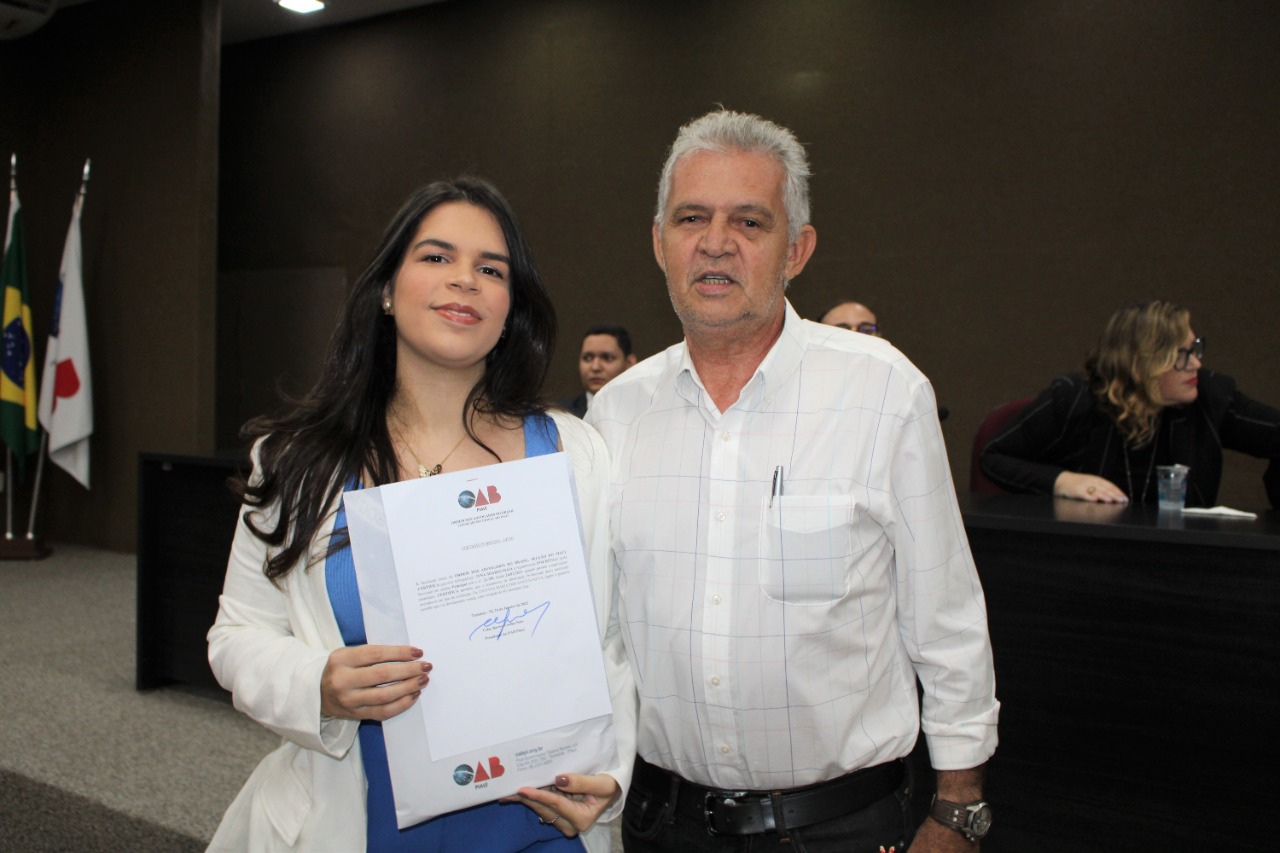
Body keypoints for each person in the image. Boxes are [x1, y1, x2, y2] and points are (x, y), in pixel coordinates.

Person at [586, 110, 998, 852]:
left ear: (797, 250)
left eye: (749, 221)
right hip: (663, 825)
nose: (716, 243)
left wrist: (959, 806)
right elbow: (599, 630)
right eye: (691, 218)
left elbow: (946, 613)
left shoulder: (883, 392)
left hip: (842, 827)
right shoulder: (614, 416)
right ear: (659, 243)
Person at [207, 178, 635, 853]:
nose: (465, 279)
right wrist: (318, 683)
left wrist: (612, 773)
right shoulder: (299, 461)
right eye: (436, 257)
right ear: (386, 289)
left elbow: (611, 641)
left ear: (509, 308)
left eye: (491, 269)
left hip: (541, 823)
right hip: (358, 817)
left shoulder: (575, 453)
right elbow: (237, 635)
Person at [980, 300, 1280, 507]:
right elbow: (995, 456)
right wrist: (1063, 481)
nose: (1196, 364)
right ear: (1143, 364)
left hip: (1181, 561)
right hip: (1083, 554)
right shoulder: (1075, 399)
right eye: (1182, 354)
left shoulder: (1211, 396)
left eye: (1196, 349)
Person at [559, 324, 637, 417]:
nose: (595, 367)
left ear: (629, 363)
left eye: (607, 358)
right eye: (587, 358)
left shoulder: (644, 410)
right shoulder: (560, 415)